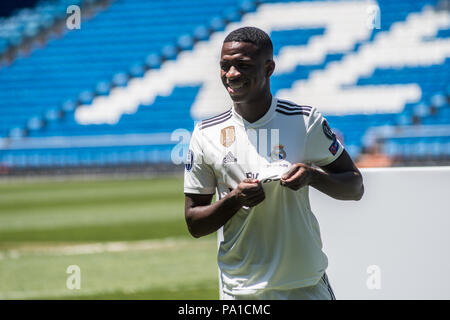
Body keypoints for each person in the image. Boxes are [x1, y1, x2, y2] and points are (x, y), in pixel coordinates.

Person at [183, 26, 364, 300]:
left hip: (304, 285)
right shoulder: (206, 133)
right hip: (242, 291)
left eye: (242, 66)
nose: (231, 75)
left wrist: (313, 176)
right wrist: (234, 199)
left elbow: (355, 187)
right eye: (225, 66)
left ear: (269, 68)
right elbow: (195, 223)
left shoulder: (304, 121)